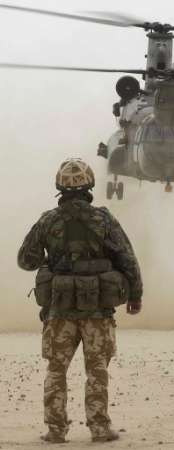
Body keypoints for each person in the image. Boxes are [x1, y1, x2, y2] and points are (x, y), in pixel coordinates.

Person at [17, 158, 143, 444]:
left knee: (56, 369)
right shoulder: (103, 219)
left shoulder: (48, 220)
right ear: (90, 185)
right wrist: (135, 296)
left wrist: (54, 261)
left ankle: (55, 431)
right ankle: (99, 429)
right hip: (97, 312)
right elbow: (127, 259)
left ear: (59, 186)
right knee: (97, 371)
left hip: (59, 312)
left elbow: (26, 260)